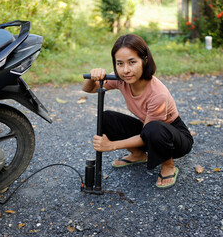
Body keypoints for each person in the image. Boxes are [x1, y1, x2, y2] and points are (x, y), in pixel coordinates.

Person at [82, 34, 193, 189]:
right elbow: (90, 89)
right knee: (106, 117)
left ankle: (168, 164)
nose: (126, 70)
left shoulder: (157, 94)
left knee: (153, 129)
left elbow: (146, 134)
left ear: (145, 60)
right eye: (120, 63)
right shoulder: (122, 79)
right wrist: (93, 76)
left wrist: (111, 145)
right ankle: (138, 155)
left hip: (175, 138)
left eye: (132, 62)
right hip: (148, 130)